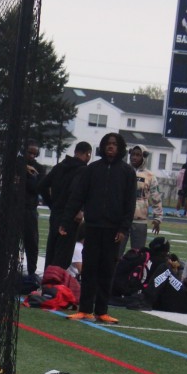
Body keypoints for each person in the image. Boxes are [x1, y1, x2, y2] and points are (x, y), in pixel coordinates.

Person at [63, 130, 136, 324]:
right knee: (89, 269)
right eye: (108, 143)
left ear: (120, 148)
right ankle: (85, 309)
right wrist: (66, 220)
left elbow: (130, 204)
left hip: (113, 230)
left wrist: (123, 229)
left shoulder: (128, 172)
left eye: (114, 144)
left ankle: (102, 311)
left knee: (107, 270)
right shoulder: (92, 169)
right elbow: (78, 196)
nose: (111, 146)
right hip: (93, 226)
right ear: (103, 147)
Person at [38, 141, 91, 269]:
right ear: (88, 154)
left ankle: (47, 278)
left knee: (51, 250)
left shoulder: (60, 166)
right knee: (63, 255)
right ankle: (55, 279)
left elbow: (42, 186)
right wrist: (79, 209)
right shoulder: (83, 170)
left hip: (56, 213)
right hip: (70, 216)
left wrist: (51, 204)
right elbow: (75, 192)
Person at [126, 146, 162, 253]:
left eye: (138, 155)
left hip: (140, 220)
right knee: (116, 252)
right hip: (122, 219)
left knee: (138, 253)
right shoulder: (123, 171)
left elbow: (156, 197)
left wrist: (158, 218)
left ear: (144, 157)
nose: (134, 157)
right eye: (133, 154)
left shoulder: (150, 176)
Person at [21, 141, 46, 284]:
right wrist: (24, 168)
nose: (31, 156)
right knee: (9, 241)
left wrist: (27, 176)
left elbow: (36, 188)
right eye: (29, 152)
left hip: (29, 209)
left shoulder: (39, 168)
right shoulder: (17, 163)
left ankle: (31, 272)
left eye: (34, 154)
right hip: (14, 208)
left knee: (32, 242)